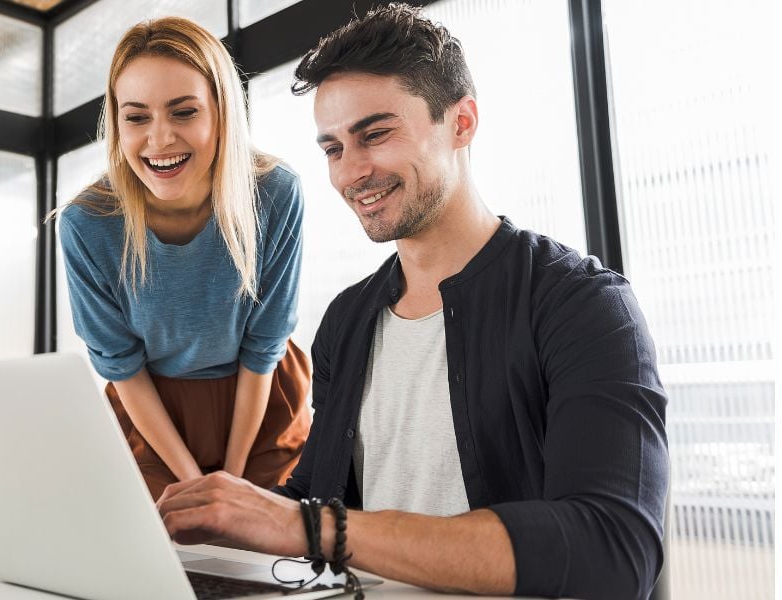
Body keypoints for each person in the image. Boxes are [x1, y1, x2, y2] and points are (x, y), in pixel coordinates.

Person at [155, 4, 669, 599]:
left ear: (461, 123)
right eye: (333, 149)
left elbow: (612, 549)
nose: (351, 172)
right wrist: (214, 522)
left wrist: (309, 526)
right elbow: (313, 503)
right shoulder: (348, 319)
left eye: (375, 135)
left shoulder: (582, 306)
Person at [55, 17, 310, 501]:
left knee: (267, 533)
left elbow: (264, 347)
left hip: (260, 401)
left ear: (221, 112)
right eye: (136, 118)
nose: (159, 139)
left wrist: (232, 482)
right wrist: (196, 483)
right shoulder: (86, 224)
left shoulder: (276, 194)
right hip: (153, 414)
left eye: (184, 112)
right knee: (166, 538)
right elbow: (122, 366)